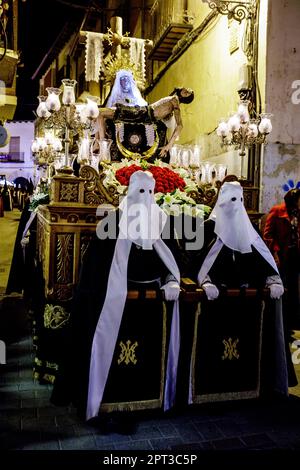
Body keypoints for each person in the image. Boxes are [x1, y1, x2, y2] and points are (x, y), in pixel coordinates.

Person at [51, 171, 181, 432]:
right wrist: (111, 289)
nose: (144, 199)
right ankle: (104, 401)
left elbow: (173, 257)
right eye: (139, 192)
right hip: (113, 301)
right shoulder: (111, 223)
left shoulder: (163, 221)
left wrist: (171, 280)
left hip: (152, 302)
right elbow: (96, 269)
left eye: (149, 192)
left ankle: (151, 400)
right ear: (129, 192)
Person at [186, 181, 291, 404]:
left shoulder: (248, 229)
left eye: (240, 200)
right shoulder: (207, 228)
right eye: (232, 200)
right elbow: (195, 262)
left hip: (246, 303)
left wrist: (272, 280)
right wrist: (204, 282)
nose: (237, 205)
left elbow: (262, 258)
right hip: (213, 304)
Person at [96, 69, 194, 160]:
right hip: (143, 112)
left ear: (185, 99)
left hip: (143, 114)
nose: (187, 90)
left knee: (100, 113)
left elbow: (180, 125)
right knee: (100, 114)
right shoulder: (172, 99)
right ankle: (100, 143)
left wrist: (169, 145)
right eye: (188, 90)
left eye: (188, 93)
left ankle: (101, 145)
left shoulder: (175, 101)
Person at [263, 188, 300, 328]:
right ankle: (281, 319)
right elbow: (268, 235)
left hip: (295, 253)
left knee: (294, 285)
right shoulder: (277, 211)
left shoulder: (297, 213)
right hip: (282, 253)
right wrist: (275, 252)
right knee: (282, 284)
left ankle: (293, 320)